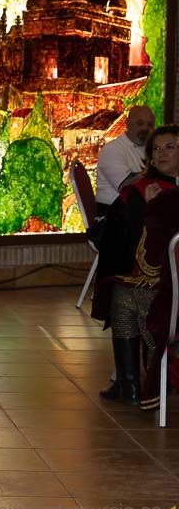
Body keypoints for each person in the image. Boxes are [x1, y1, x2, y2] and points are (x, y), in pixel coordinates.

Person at [93, 124, 179, 405]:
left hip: (169, 285)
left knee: (137, 296)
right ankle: (129, 384)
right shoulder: (140, 191)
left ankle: (150, 383)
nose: (161, 154)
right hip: (155, 277)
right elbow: (119, 239)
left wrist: (156, 209)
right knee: (125, 294)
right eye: (155, 149)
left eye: (169, 147)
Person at [95, 105, 155, 215]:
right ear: (127, 124)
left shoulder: (152, 150)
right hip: (112, 215)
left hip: (136, 212)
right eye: (140, 123)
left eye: (150, 125)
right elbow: (126, 187)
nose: (145, 129)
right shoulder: (112, 150)